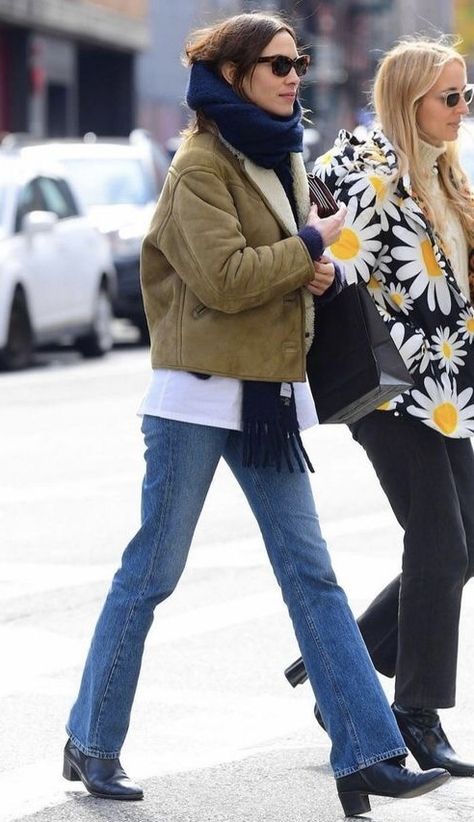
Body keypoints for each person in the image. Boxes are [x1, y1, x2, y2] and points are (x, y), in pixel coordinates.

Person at [62, 14, 449, 816]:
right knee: (151, 576)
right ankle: (92, 740)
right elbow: (228, 279)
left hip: (266, 398)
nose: (294, 75)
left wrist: (317, 277)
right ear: (233, 75)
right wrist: (306, 249)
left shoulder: (283, 159)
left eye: (299, 62)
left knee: (313, 577)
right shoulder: (198, 166)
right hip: (196, 401)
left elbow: (285, 274)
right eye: (278, 64)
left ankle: (369, 751)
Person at [298, 36, 474, 777]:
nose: (463, 110)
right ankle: (414, 712)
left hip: (446, 392)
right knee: (439, 544)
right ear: (408, 101)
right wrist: (314, 265)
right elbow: (314, 234)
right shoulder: (362, 170)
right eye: (450, 97)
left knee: (468, 539)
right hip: (388, 387)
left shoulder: (447, 175)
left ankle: (350, 659)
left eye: (467, 95)